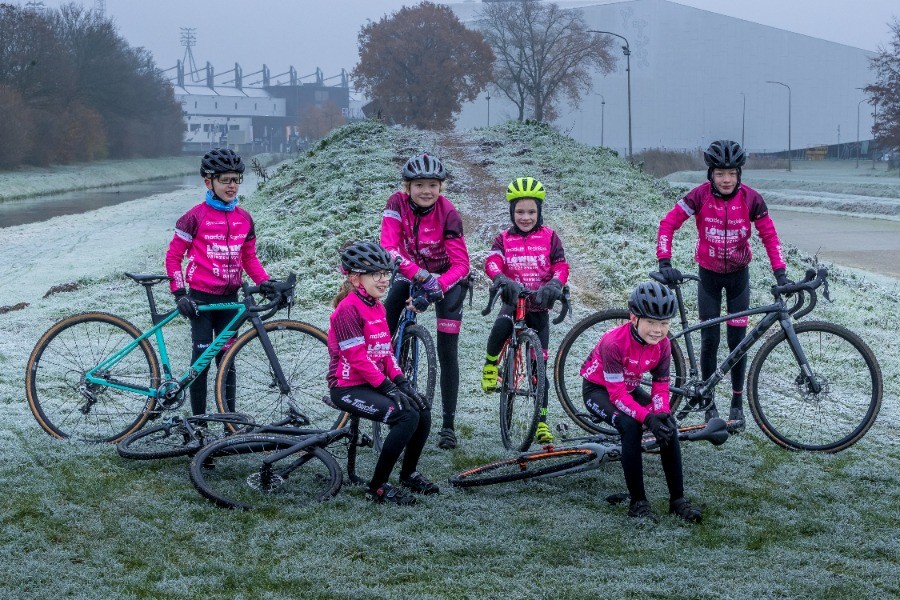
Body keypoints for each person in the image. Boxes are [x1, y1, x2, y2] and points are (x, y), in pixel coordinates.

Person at [656, 139, 789, 424]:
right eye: (720, 173)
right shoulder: (699, 196)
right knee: (710, 340)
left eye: (731, 173)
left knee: (737, 341)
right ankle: (708, 402)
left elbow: (770, 237)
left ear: (739, 174)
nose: (726, 179)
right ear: (711, 175)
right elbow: (668, 223)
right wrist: (664, 261)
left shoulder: (751, 199)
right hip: (709, 277)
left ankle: (737, 403)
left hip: (739, 277)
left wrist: (781, 273)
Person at [582, 281, 703, 523]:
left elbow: (660, 385)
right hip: (599, 390)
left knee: (668, 424)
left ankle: (677, 500)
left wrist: (660, 414)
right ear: (633, 318)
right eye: (651, 322)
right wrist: (647, 418)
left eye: (664, 323)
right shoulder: (613, 343)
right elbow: (617, 396)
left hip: (630, 387)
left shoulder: (664, 345)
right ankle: (638, 502)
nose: (658, 330)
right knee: (630, 425)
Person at [327, 241, 437, 506]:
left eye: (387, 273)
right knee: (405, 416)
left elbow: (385, 353)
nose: (384, 279)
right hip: (347, 387)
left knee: (421, 408)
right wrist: (389, 388)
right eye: (376, 274)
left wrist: (401, 383)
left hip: (373, 382)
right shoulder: (347, 310)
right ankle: (377, 486)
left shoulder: (378, 306)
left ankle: (408, 474)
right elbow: (357, 358)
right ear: (355, 278)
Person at [165, 148, 271, 416]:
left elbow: (249, 259)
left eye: (236, 179)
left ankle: (230, 426)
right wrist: (180, 295)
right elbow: (173, 258)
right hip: (200, 302)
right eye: (225, 180)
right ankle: (199, 426)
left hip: (229, 303)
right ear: (208, 182)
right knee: (200, 365)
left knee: (228, 363)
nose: (232, 186)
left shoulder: (244, 219)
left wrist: (266, 282)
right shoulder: (193, 218)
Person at [380, 153, 471, 450]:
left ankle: (447, 425)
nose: (426, 191)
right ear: (407, 187)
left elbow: (461, 265)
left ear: (441, 187)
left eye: (433, 184)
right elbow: (389, 248)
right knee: (379, 337)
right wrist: (418, 275)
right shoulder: (396, 204)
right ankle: (376, 403)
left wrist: (436, 287)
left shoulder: (448, 213)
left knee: (447, 351)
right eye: (419, 184)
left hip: (447, 279)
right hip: (410, 273)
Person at [482, 177, 569, 444]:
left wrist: (556, 283)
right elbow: (493, 261)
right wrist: (500, 278)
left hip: (539, 305)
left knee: (538, 369)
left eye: (531, 211)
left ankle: (541, 422)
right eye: (520, 211)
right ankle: (491, 363)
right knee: (500, 326)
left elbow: (561, 266)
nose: (526, 217)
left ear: (539, 211)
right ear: (511, 212)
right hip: (514, 299)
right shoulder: (503, 238)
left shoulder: (550, 237)